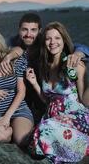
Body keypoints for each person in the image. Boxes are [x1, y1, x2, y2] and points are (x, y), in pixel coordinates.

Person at [0, 13, 88, 124]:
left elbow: (77, 46)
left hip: (48, 100)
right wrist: (9, 56)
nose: (28, 34)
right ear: (19, 30)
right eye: (24, 30)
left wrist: (78, 53)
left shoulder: (46, 45)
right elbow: (15, 49)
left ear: (40, 31)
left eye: (33, 30)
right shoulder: (13, 43)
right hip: (24, 96)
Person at [25, 22, 89, 163]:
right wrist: (35, 83)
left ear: (64, 40)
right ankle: (76, 151)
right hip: (52, 117)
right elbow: (48, 100)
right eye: (48, 39)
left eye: (57, 38)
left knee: (45, 131)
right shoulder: (44, 67)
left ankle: (82, 149)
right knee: (34, 144)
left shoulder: (75, 64)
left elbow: (84, 99)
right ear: (44, 42)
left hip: (75, 117)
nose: (53, 42)